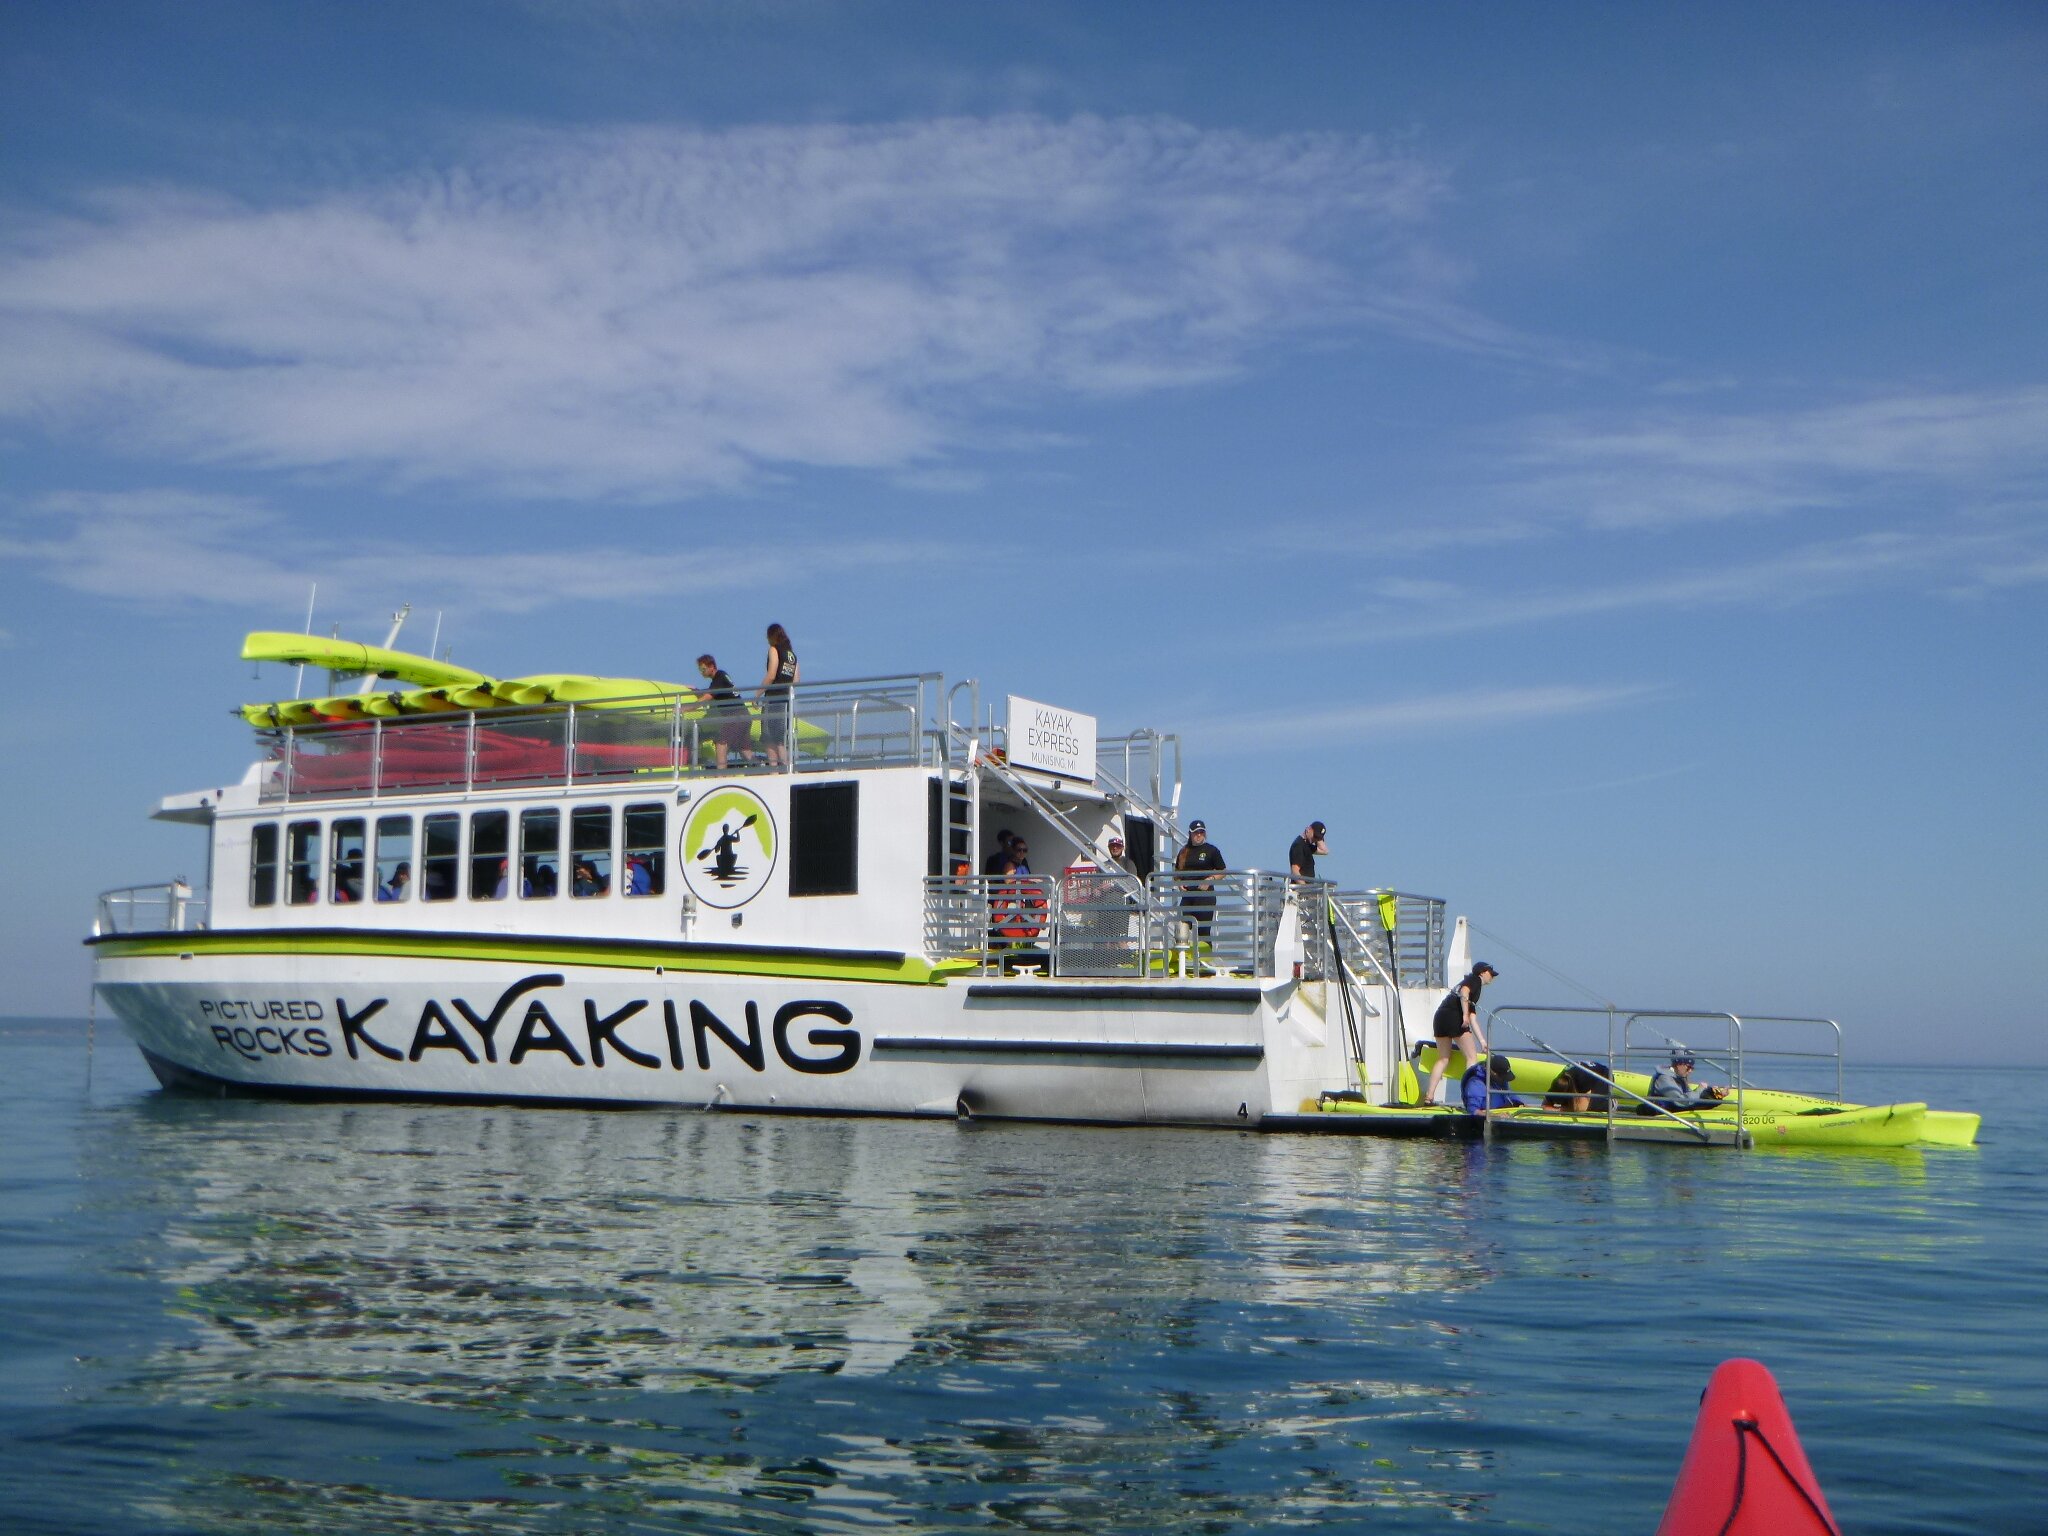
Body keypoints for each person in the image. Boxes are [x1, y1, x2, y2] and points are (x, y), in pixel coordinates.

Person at [1423, 961, 1498, 1107]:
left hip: (1441, 1017)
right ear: (1482, 972)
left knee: (1443, 1058)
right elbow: (1464, 992)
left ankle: (1429, 1097)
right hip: (1455, 1017)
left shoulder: (1471, 985)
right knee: (1471, 1058)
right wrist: (1464, 1014)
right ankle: (1471, 1097)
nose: (1492, 978)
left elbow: (1473, 1018)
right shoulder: (1475, 979)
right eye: (1491, 974)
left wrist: (1482, 1041)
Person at [1173, 820, 1227, 961]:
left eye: (1201, 832)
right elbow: (1176, 873)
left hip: (1205, 895)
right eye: (1196, 832)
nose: (1199, 835)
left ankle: (1205, 962)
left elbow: (1223, 871)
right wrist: (1179, 884)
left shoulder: (1212, 850)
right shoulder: (1184, 851)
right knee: (1182, 928)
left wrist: (1210, 880)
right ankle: (1183, 962)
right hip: (1188, 896)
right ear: (1190, 834)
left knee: (1203, 931)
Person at [696, 653, 751, 771]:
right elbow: (712, 690)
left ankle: (721, 774)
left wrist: (685, 708)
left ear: (712, 666)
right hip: (744, 715)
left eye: (703, 669)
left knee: (721, 742)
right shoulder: (720, 678)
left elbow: (707, 697)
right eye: (700, 670)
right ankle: (760, 769)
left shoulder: (719, 677)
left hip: (736, 716)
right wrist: (697, 691)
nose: (701, 672)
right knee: (744, 749)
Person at [759, 622, 798, 769]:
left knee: (768, 739)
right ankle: (787, 769)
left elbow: (771, 674)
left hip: (773, 699)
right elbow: (796, 680)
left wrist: (757, 694)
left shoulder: (774, 650)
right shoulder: (792, 655)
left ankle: (774, 771)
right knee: (780, 740)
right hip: (786, 701)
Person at [1648, 1050, 1729, 1110]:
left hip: (1674, 1110)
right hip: (1663, 1115)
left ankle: (1717, 1095)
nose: (1690, 1071)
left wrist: (1716, 1094)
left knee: (1708, 1098)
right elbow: (1682, 1102)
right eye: (1689, 1067)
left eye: (1692, 1068)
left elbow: (1691, 1096)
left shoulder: (1679, 1078)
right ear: (1679, 1065)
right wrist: (1699, 1089)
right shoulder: (1664, 1078)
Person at [1542, 1061, 1612, 1113]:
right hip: (1581, 1073)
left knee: (1589, 1106)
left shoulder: (1582, 1082)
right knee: (1574, 1104)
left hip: (1604, 1076)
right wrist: (1559, 1108)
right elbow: (1545, 1105)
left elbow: (1581, 1109)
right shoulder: (1557, 1082)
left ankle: (1610, 1103)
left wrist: (1562, 1109)